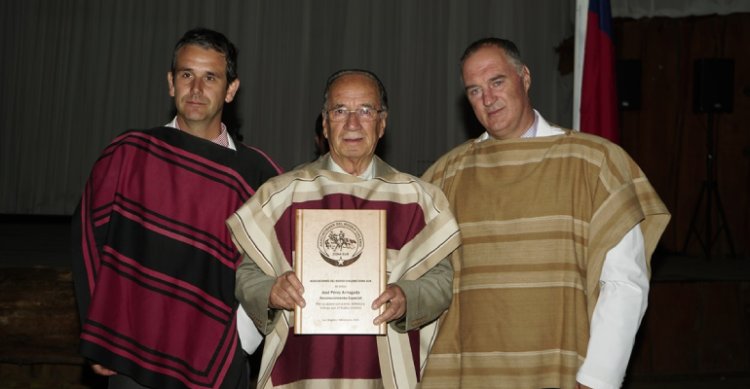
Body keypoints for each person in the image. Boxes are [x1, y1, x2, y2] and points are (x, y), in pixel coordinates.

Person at [420, 38, 670, 389]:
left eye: (496, 82)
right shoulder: (446, 176)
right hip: (471, 370)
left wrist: (599, 377)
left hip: (565, 366)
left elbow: (624, 282)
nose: (488, 99)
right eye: (474, 91)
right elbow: (419, 277)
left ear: (524, 77)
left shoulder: (593, 163)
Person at [71, 27, 282, 389]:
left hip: (217, 363)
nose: (196, 89)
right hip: (129, 357)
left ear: (231, 89)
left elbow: (278, 267)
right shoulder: (129, 155)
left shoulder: (259, 176)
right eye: (187, 75)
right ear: (171, 82)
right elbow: (87, 239)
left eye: (210, 77)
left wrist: (241, 344)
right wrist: (99, 332)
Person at [226, 69, 461, 388]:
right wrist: (271, 291)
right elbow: (247, 275)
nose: (353, 123)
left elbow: (442, 281)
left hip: (387, 371)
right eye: (340, 111)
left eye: (365, 110)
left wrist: (408, 297)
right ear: (325, 123)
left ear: (382, 122)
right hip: (300, 368)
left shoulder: (420, 198)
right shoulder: (282, 194)